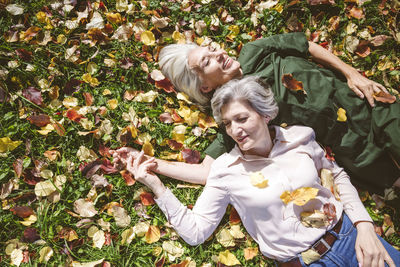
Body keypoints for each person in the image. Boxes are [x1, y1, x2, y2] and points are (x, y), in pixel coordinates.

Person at [120, 77, 400, 266]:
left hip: (353, 239)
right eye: (228, 124)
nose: (235, 130)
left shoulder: (301, 138)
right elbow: (196, 232)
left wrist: (364, 227)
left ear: (265, 114)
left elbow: (336, 175)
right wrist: (156, 187)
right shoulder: (225, 170)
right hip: (303, 262)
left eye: (242, 118)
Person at [113, 32, 399, 193]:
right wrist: (151, 163)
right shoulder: (232, 113)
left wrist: (352, 74)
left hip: (364, 104)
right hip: (351, 147)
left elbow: (307, 46)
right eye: (208, 61)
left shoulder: (254, 51)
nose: (219, 54)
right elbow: (206, 171)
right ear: (204, 85)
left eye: (212, 48)